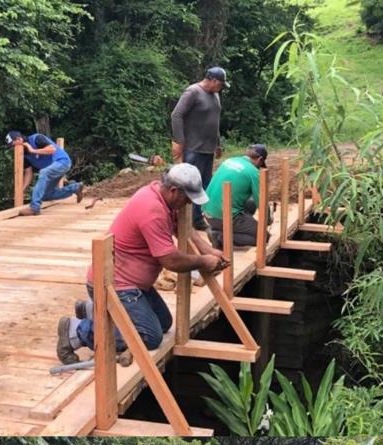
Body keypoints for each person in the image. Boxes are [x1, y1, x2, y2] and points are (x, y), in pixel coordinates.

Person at [55, 164, 228, 365]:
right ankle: (76, 331)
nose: (189, 203)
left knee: (164, 323)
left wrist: (210, 251)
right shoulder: (153, 209)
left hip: (134, 284)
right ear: (174, 191)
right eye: (187, 197)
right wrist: (203, 262)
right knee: (149, 336)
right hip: (116, 285)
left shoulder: (162, 197)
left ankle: (94, 309)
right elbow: (170, 260)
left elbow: (184, 231)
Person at [170, 67, 229, 229]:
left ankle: (197, 218)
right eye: (221, 84)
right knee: (190, 185)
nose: (221, 88)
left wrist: (217, 144)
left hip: (207, 149)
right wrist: (179, 141)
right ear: (213, 81)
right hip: (193, 149)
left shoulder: (215, 95)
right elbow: (176, 115)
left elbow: (214, 121)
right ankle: (188, 221)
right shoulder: (193, 92)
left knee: (204, 186)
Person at [203, 144, 269, 249]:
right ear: (260, 159)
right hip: (223, 217)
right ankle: (220, 237)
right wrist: (268, 219)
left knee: (250, 204)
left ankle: (220, 230)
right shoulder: (254, 172)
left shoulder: (229, 161)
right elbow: (262, 202)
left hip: (208, 213)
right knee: (264, 237)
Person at [6, 130, 83, 216]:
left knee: (43, 172)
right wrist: (22, 190)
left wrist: (32, 150)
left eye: (12, 145)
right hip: (51, 170)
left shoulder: (37, 138)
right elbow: (28, 173)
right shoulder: (24, 155)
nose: (12, 148)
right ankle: (75, 188)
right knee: (46, 195)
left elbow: (52, 149)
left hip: (62, 162)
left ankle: (34, 208)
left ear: (19, 139)